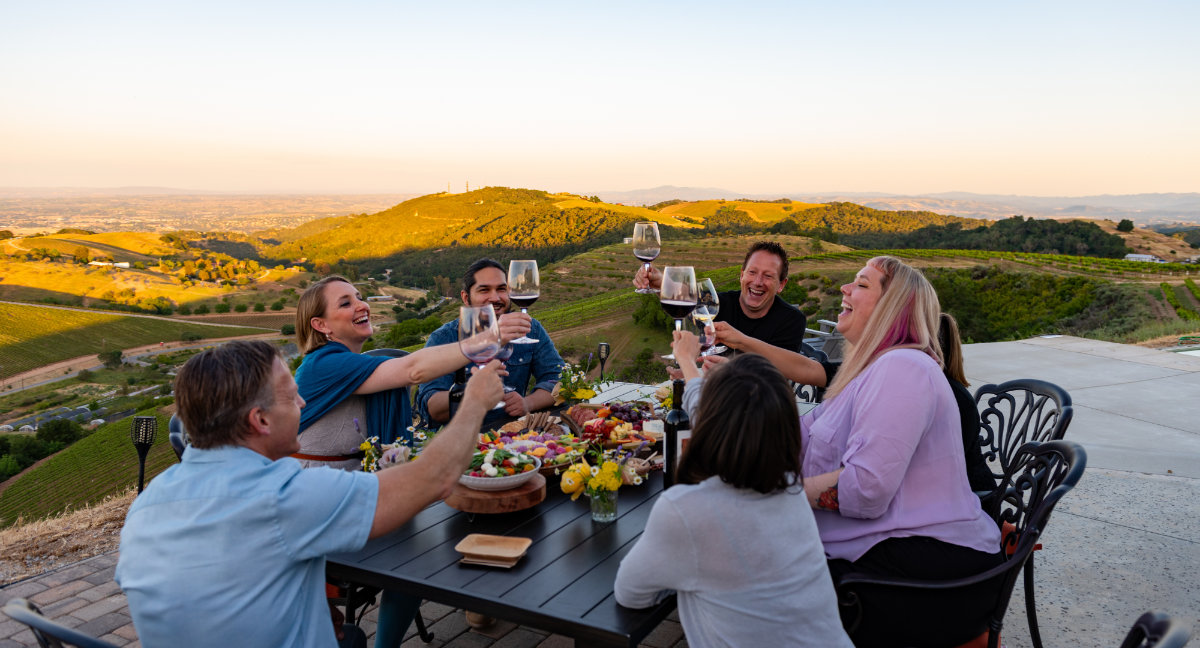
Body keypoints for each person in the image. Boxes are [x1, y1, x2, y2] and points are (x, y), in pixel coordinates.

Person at [680, 256, 1002, 647]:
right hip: (895, 558)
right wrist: (728, 389)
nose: (844, 290)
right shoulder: (865, 374)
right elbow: (788, 439)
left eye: (861, 285)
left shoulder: (904, 367)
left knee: (734, 579)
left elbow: (866, 489)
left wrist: (772, 495)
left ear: (892, 308)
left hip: (927, 578)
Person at [115, 340, 502, 648]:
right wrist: (475, 403)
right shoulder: (284, 495)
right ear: (260, 420)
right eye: (291, 395)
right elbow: (434, 479)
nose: (303, 403)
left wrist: (304, 610)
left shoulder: (147, 504)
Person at [292, 275, 484, 646]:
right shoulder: (323, 365)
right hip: (317, 508)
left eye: (360, 297)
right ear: (321, 325)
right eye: (345, 303)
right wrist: (483, 342)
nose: (361, 305)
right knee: (419, 552)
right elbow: (413, 369)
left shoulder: (351, 364)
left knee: (421, 544)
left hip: (351, 490)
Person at [613, 353, 853, 648]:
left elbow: (631, 593)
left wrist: (685, 573)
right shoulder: (789, 490)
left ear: (709, 425)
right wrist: (691, 367)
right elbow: (717, 413)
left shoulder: (686, 509)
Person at [416, 258, 563, 425]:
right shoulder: (444, 338)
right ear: (466, 297)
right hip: (460, 438)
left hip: (513, 434)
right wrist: (472, 393)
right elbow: (432, 408)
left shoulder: (529, 328)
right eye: (484, 290)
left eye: (501, 289)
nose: (495, 297)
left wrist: (527, 403)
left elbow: (560, 379)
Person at [634, 240, 808, 353]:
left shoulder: (791, 320)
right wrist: (660, 285)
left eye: (768, 276)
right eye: (752, 272)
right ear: (741, 275)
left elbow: (778, 373)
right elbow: (684, 301)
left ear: (782, 284)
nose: (758, 282)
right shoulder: (716, 305)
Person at [940, 312, 995, 493]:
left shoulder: (950, 396)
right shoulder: (948, 389)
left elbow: (947, 465)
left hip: (974, 496)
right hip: (964, 487)